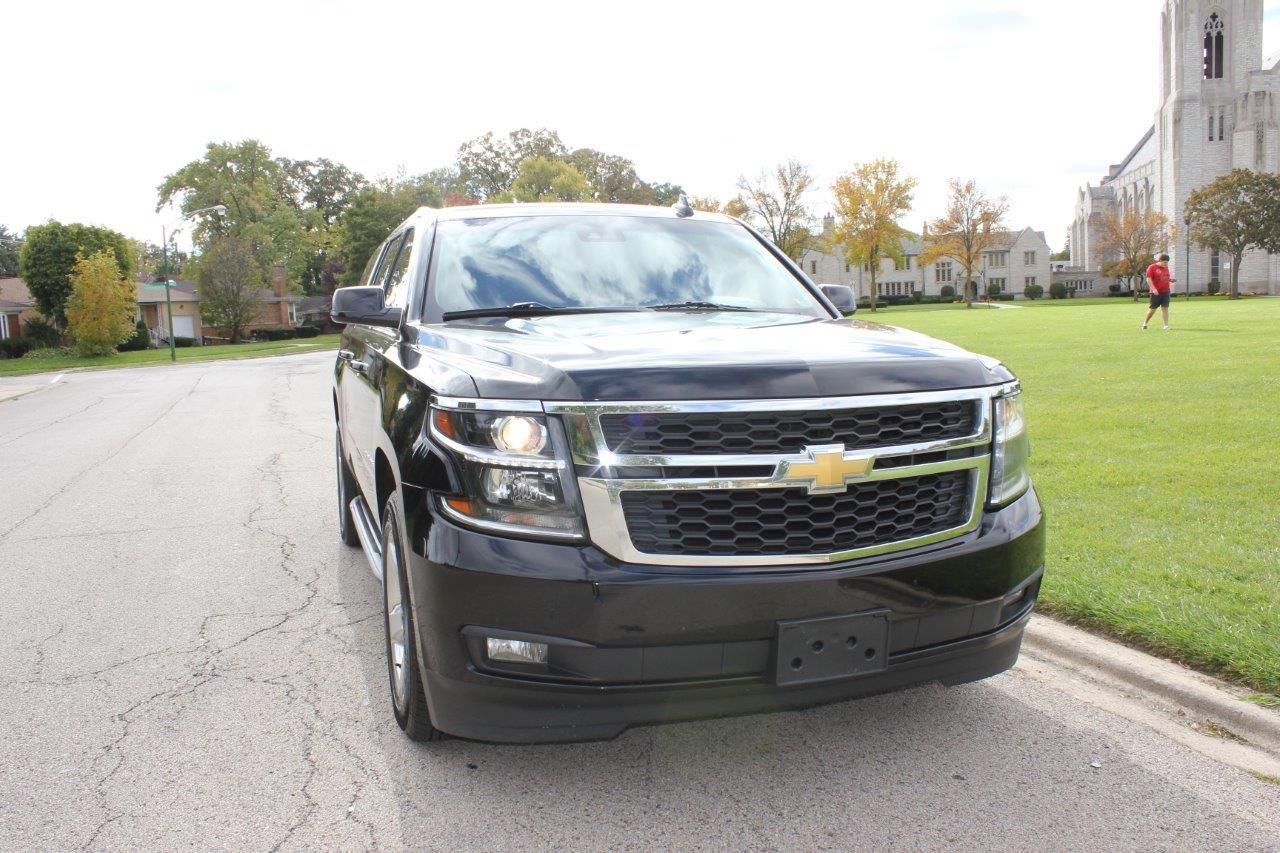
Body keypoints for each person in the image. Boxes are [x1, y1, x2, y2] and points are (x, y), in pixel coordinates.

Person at [1142, 254, 1176, 331]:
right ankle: (1145, 323)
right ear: (1160, 261)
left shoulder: (1166, 268)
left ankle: (1166, 326)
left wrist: (1170, 280)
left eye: (1167, 262)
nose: (1166, 264)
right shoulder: (1152, 267)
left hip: (1166, 291)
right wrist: (1153, 289)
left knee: (1165, 308)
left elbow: (1165, 277)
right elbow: (1148, 279)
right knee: (1152, 310)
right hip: (1155, 292)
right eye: (1165, 262)